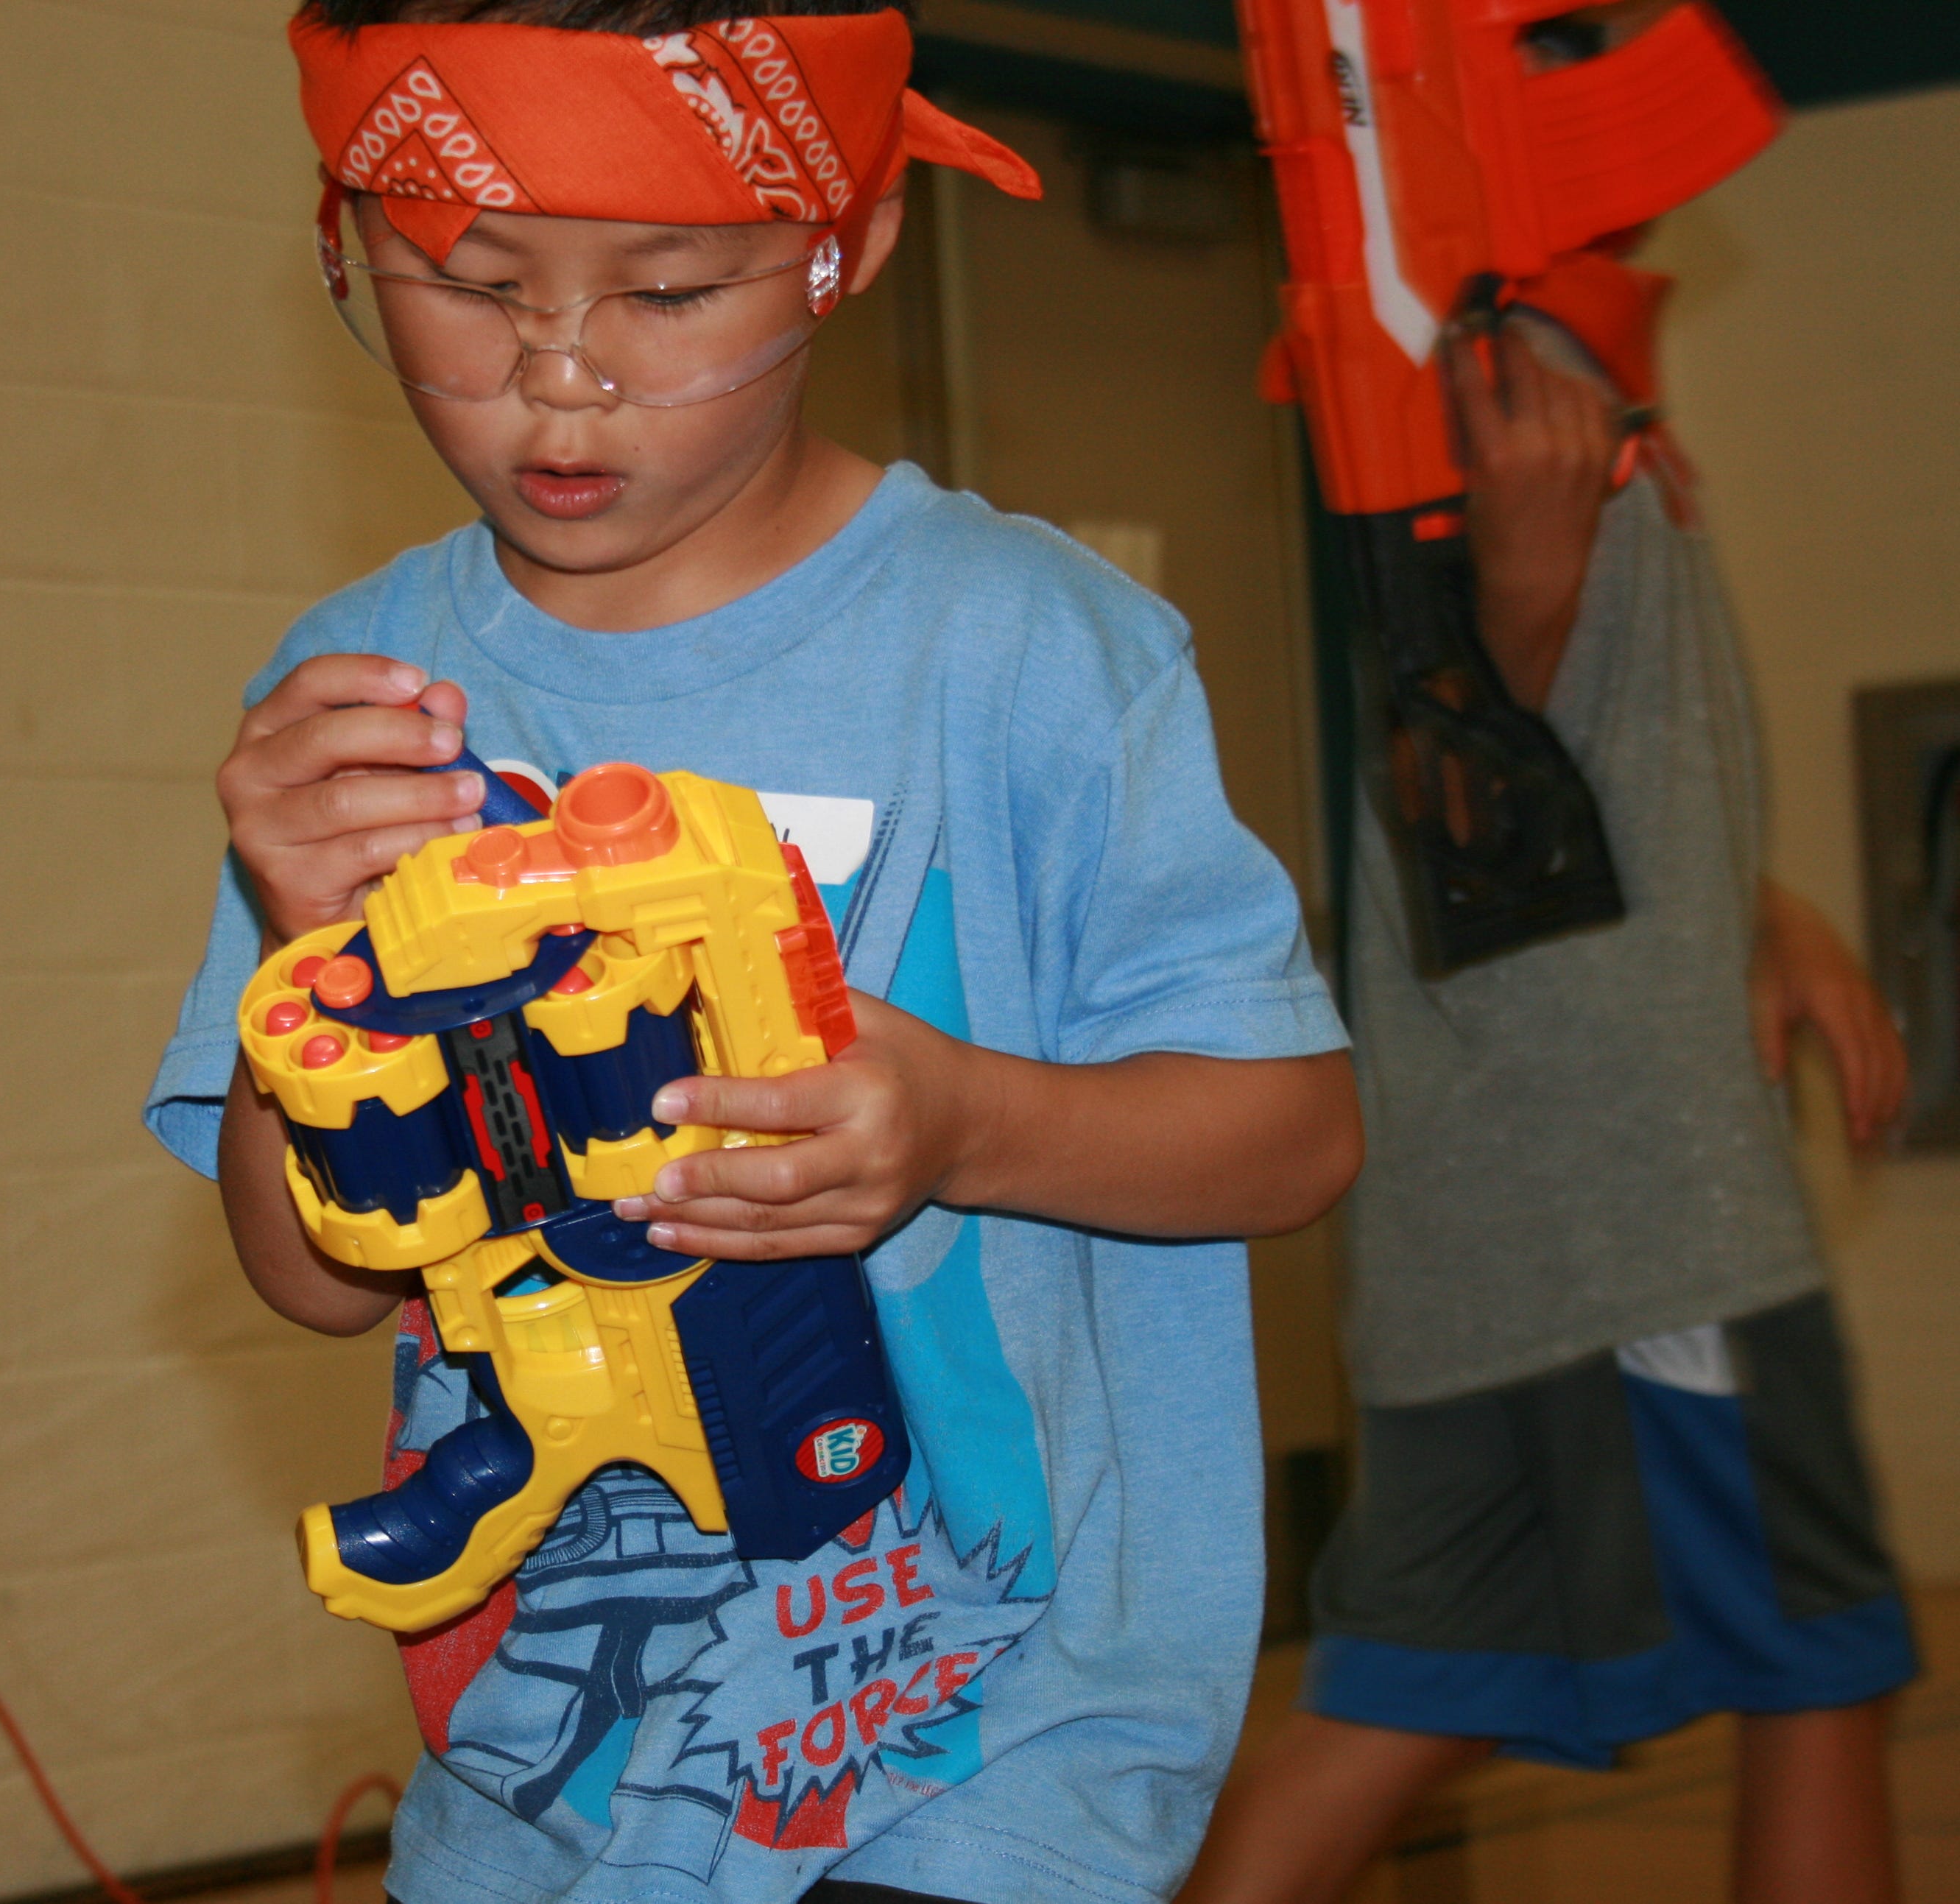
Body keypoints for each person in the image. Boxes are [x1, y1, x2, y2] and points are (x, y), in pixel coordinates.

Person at [141, 4, 1362, 1900]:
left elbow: (1294, 1135)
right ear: (336, 240)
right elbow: (302, 1276)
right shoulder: (353, 697)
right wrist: (310, 952)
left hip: (986, 1757)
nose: (560, 384)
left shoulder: (1030, 649)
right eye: (465, 285)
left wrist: (960, 1126)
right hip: (536, 1799)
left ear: (840, 252)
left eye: (667, 291)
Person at [1181, 5, 1918, 1902]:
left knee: (1396, 1701)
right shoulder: (1505, 398)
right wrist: (1523, 569)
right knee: (1820, 1664)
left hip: (1487, 1236)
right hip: (1636, 1229)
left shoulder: (1534, 386)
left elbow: (1580, 789)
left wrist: (1759, 912)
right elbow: (1490, 740)